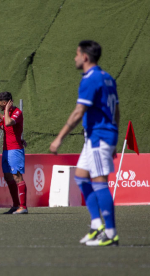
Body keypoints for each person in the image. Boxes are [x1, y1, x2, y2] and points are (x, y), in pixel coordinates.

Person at [49, 40, 120, 246]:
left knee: (99, 181)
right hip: (98, 136)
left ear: (85, 57)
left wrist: (59, 138)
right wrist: (114, 135)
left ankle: (111, 233)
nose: (75, 58)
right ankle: (96, 224)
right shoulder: (107, 77)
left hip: (99, 136)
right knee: (81, 177)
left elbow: (79, 112)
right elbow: (116, 110)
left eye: (76, 54)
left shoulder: (91, 79)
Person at [0, 92, 28, 214]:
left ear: (5, 103)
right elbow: (5, 125)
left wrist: (7, 110)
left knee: (17, 177)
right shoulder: (6, 113)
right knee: (8, 177)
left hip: (15, 150)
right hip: (6, 150)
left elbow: (8, 123)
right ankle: (15, 205)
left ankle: (23, 207)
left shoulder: (17, 112)